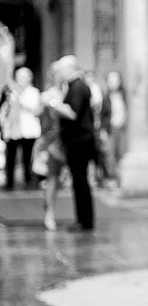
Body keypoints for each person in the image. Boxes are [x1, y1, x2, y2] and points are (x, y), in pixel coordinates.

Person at [49, 55, 96, 232]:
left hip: (79, 139)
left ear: (69, 69)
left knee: (80, 180)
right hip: (78, 138)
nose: (59, 73)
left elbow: (72, 112)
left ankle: (85, 221)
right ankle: (83, 219)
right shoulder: (76, 85)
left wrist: (52, 103)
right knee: (78, 180)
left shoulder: (77, 86)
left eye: (60, 70)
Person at [37, 63, 69, 231]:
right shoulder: (47, 95)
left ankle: (49, 207)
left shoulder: (67, 92)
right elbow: (38, 114)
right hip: (52, 141)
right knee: (53, 178)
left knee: (61, 180)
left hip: (67, 139)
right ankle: (49, 213)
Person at [0, 66, 41, 190]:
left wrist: (18, 97)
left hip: (27, 130)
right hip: (13, 130)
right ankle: (9, 182)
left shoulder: (33, 92)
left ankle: (28, 180)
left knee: (27, 156)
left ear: (29, 79)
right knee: (10, 156)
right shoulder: (11, 93)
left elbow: (34, 108)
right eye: (17, 77)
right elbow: (5, 109)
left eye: (21, 78)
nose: (18, 80)